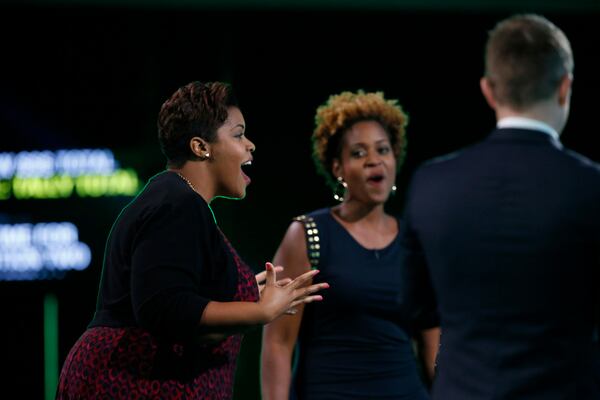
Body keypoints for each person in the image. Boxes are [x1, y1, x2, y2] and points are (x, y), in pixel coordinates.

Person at [56, 81, 328, 399]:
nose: (250, 145)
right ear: (201, 147)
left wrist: (244, 293)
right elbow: (164, 306)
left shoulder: (179, 200)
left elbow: (177, 291)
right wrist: (261, 312)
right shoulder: (177, 203)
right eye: (239, 134)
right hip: (130, 381)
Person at [398, 14, 600, 399]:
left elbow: (414, 306)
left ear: (489, 90)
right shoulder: (591, 186)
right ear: (564, 87)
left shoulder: (431, 183)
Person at [261, 90, 440, 400]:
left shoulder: (416, 241)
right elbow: (278, 343)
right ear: (338, 169)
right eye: (358, 153)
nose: (374, 161)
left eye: (383, 150)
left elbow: (432, 342)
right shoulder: (308, 234)